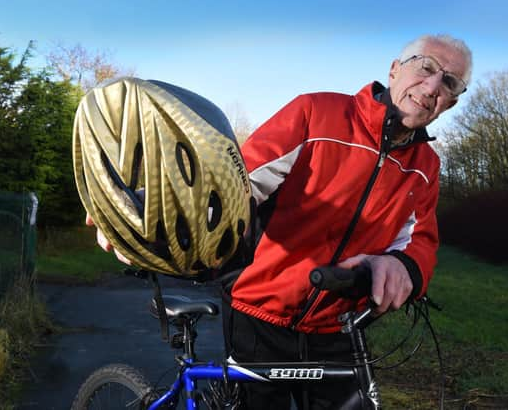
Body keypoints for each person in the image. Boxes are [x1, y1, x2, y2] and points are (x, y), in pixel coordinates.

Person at [88, 34, 472, 409]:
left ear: (451, 102)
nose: (432, 85)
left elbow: (419, 242)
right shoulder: (317, 114)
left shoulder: (426, 167)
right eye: (426, 67)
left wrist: (400, 265)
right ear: (394, 70)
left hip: (337, 324)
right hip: (259, 314)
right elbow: (231, 189)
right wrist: (144, 218)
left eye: (449, 82)